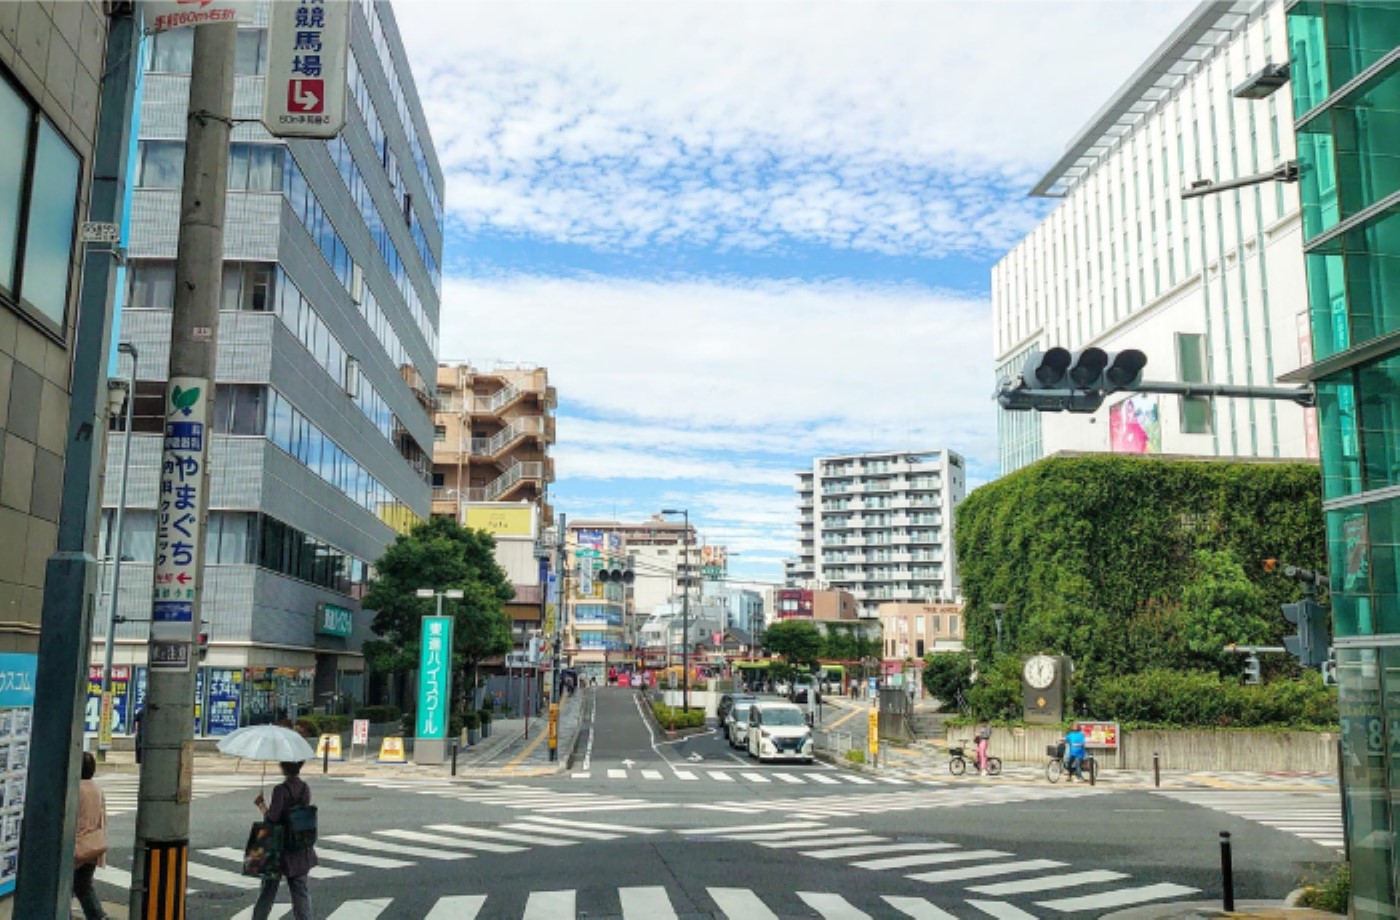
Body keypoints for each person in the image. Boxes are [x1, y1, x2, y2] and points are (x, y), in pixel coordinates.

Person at [251, 761, 317, 920]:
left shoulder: (280, 790)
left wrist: (261, 805)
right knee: (300, 891)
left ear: (283, 768)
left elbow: (272, 818)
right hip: (299, 844)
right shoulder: (305, 788)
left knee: (268, 890)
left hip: (279, 847)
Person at [73, 752, 108, 920]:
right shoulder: (97, 788)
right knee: (84, 885)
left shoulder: (75, 789)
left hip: (77, 844)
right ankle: (98, 916)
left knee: (67, 885)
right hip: (93, 844)